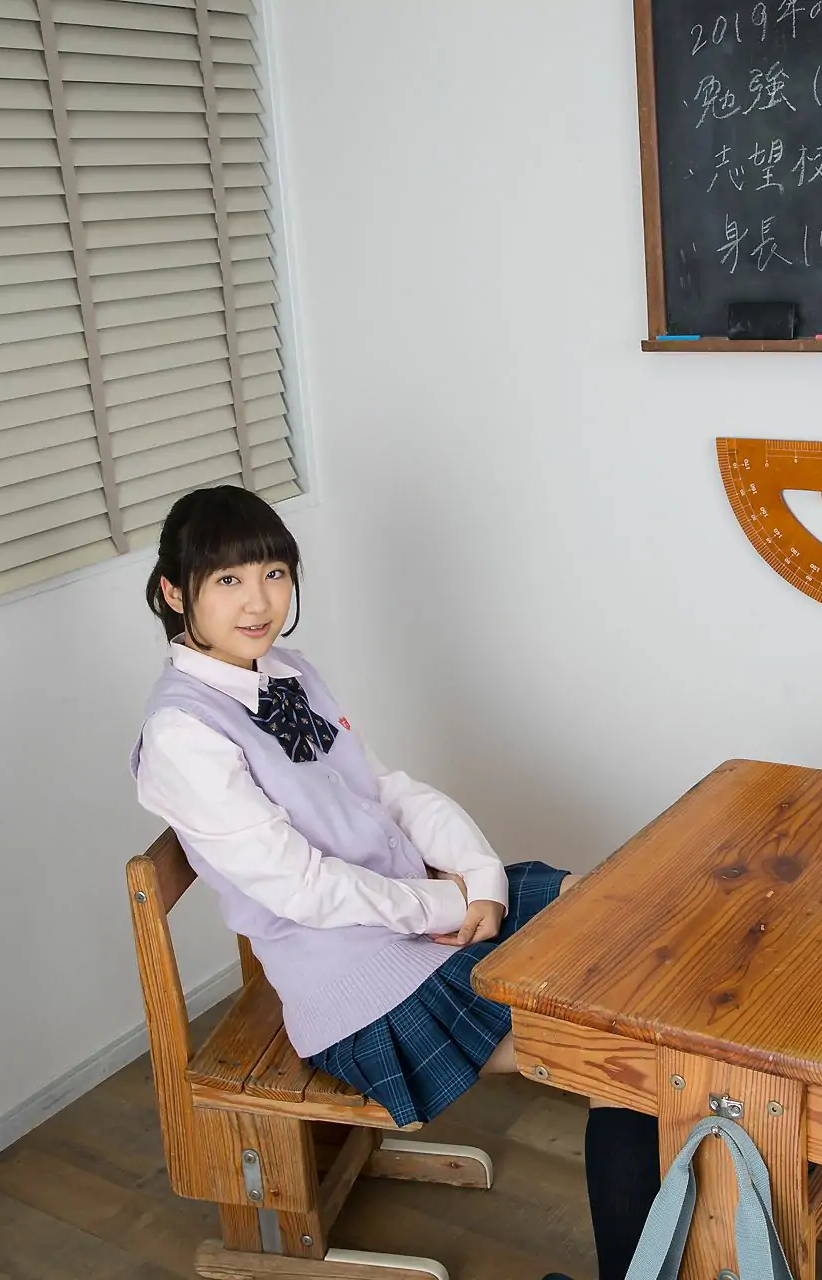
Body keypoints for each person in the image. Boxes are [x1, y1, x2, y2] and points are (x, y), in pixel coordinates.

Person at [131, 486, 659, 1279]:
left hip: (414, 917)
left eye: (274, 573)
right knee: (627, 1061)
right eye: (229, 580)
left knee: (607, 906)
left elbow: (388, 790)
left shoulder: (285, 671)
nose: (259, 601)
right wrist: (447, 901)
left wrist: (479, 876)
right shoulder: (182, 733)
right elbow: (303, 888)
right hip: (359, 991)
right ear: (176, 594)